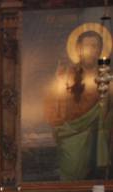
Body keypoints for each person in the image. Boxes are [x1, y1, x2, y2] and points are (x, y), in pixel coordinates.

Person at [44, 30, 113, 180]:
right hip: (72, 136)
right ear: (79, 49)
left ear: (100, 50)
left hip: (101, 136)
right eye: (86, 46)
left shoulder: (108, 77)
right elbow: (52, 104)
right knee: (73, 175)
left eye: (95, 46)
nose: (91, 50)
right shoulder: (66, 74)